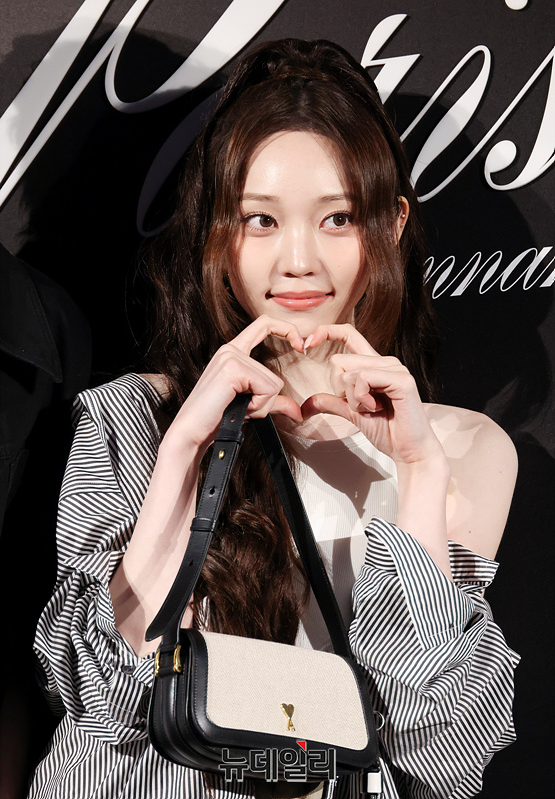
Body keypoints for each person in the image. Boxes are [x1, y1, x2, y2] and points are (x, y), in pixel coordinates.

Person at [26, 39, 519, 799]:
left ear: (391, 225)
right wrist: (181, 456)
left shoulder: (464, 448)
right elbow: (101, 700)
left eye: (337, 219)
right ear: (215, 231)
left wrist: (419, 477)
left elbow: (437, 754)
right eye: (259, 220)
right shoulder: (133, 417)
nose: (297, 260)